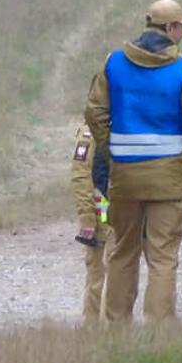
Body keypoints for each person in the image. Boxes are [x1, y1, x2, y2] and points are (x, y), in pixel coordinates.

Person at [84, 0, 182, 324]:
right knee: (163, 257)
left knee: (123, 252)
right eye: (181, 27)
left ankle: (117, 328)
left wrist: (112, 152)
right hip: (170, 177)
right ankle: (158, 331)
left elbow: (95, 113)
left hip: (125, 177)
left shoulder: (114, 63)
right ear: (170, 29)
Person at [71, 118, 111, 320]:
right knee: (98, 275)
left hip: (123, 214)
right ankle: (95, 326)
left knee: (118, 274)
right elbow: (80, 176)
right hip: (101, 216)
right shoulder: (89, 134)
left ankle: (112, 326)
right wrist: (87, 218)